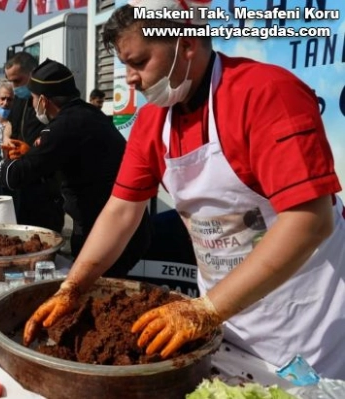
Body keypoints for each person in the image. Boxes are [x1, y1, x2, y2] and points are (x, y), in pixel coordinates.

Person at [23, 0, 345, 380]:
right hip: (219, 315)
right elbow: (121, 211)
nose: (129, 78)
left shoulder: (266, 93)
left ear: (186, 43)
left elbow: (308, 222)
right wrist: (74, 286)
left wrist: (207, 309)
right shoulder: (152, 120)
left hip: (300, 315)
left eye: (139, 62)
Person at [0, 59, 151, 261]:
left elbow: (15, 175)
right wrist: (32, 154)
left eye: (34, 98)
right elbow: (72, 161)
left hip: (105, 230)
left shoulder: (65, 125)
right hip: (120, 225)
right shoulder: (88, 114)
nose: (32, 104)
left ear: (43, 100)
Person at [4, 52, 64, 233]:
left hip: (44, 186)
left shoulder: (49, 101)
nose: (15, 87)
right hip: (20, 181)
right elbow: (10, 124)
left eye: (18, 81)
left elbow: (58, 138)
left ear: (34, 73)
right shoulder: (20, 100)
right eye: (11, 82)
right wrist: (7, 140)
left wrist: (31, 151)